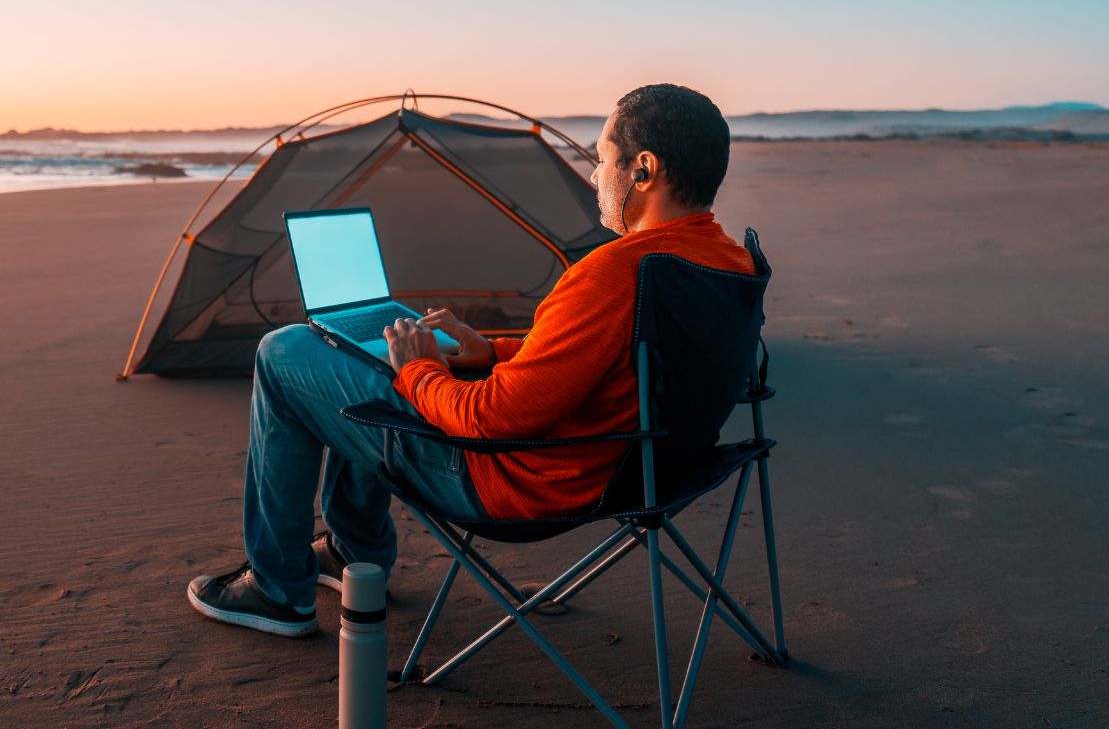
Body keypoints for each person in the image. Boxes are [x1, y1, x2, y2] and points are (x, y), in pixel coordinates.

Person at [186, 83, 762, 637]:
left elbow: (493, 419)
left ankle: (279, 589)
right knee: (377, 360)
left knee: (286, 351)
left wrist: (418, 370)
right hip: (646, 471)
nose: (592, 174)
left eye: (601, 158)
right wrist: (490, 353)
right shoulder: (727, 263)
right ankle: (350, 552)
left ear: (643, 169)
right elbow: (625, 362)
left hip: (523, 482)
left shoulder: (616, 271)